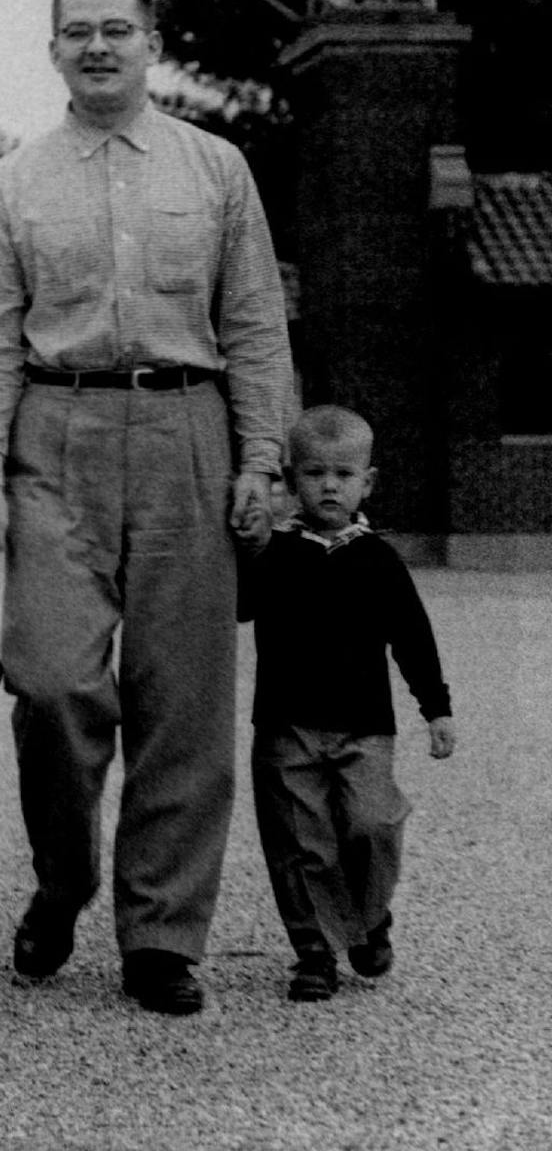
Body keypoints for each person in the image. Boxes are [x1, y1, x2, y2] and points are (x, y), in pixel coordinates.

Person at [0, 0, 293, 1015]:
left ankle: (161, 935)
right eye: (77, 32)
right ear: (52, 49)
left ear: (151, 44)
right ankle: (65, 882)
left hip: (190, 427)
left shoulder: (218, 168)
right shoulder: (12, 183)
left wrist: (260, 457)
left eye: (118, 30)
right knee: (48, 682)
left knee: (181, 701)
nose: (98, 47)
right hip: (57, 433)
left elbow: (254, 326)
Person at [237, 405, 456, 1004]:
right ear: (289, 478)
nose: (329, 485)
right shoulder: (276, 553)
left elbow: (413, 636)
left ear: (368, 482)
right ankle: (315, 952)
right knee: (301, 841)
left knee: (371, 823)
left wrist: (435, 708)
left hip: (365, 728)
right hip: (287, 725)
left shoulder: (377, 559)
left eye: (343, 473)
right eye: (313, 473)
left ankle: (369, 917)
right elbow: (236, 607)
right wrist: (244, 545)